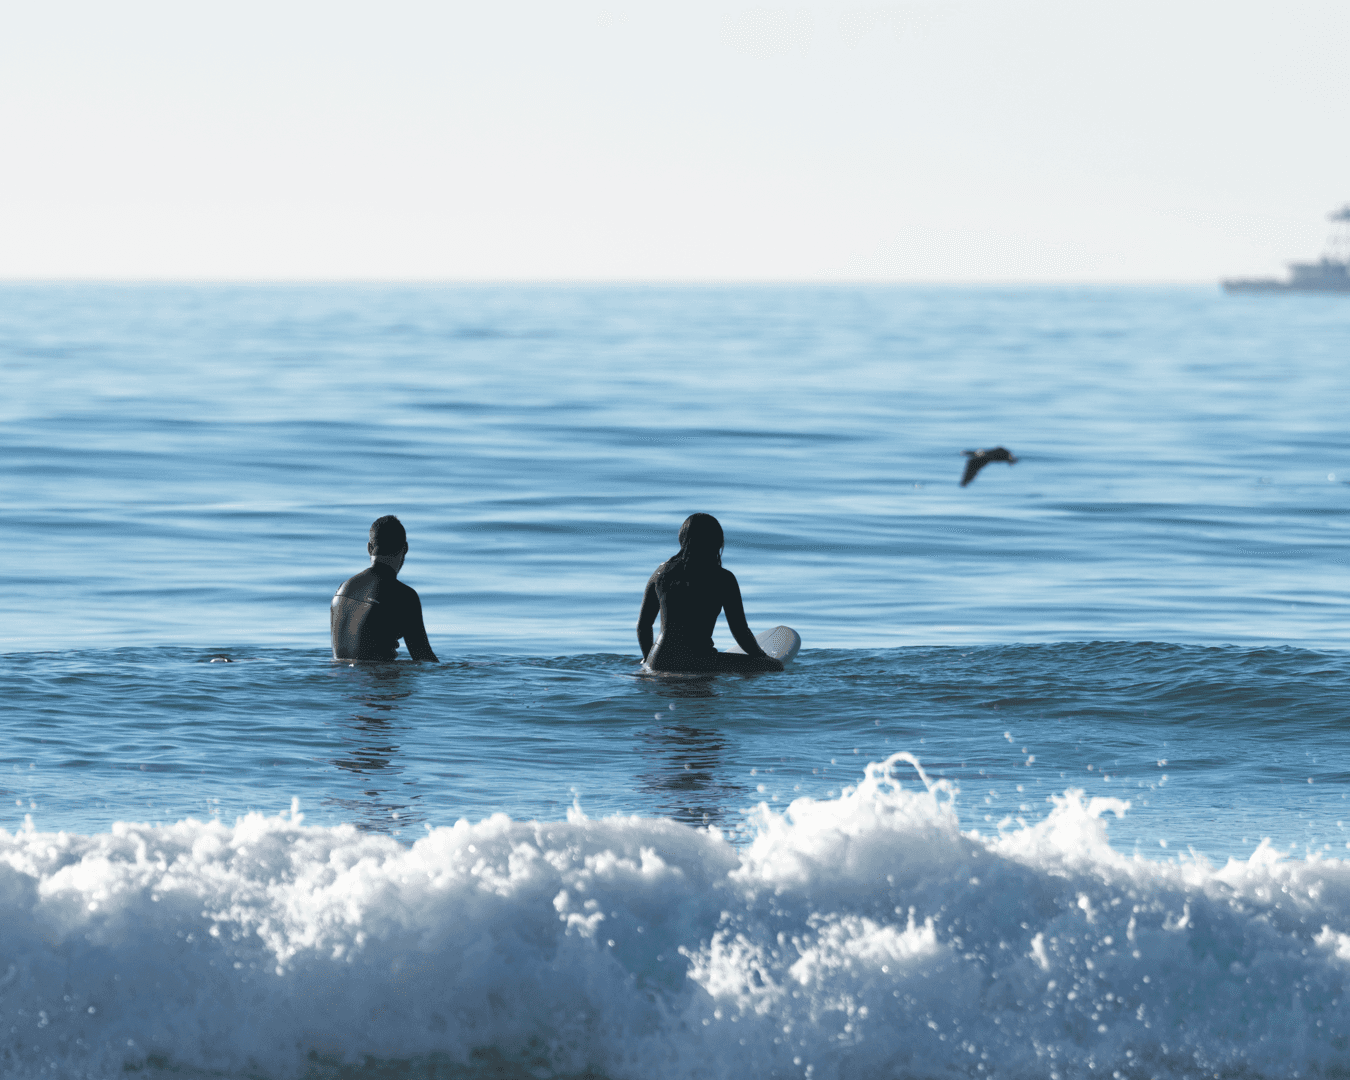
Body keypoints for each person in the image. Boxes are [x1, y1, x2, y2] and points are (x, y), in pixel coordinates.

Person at [637, 513, 783, 673]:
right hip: (699, 661)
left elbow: (643, 626)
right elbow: (740, 631)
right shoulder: (723, 578)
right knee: (775, 667)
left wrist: (648, 662)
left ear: (682, 539)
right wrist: (761, 657)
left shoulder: (661, 573)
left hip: (660, 661)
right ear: (717, 542)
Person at [330, 516, 438, 662]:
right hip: (378, 675)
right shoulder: (404, 596)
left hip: (338, 675)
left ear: (369, 548)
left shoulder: (342, 590)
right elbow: (424, 659)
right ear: (405, 548)